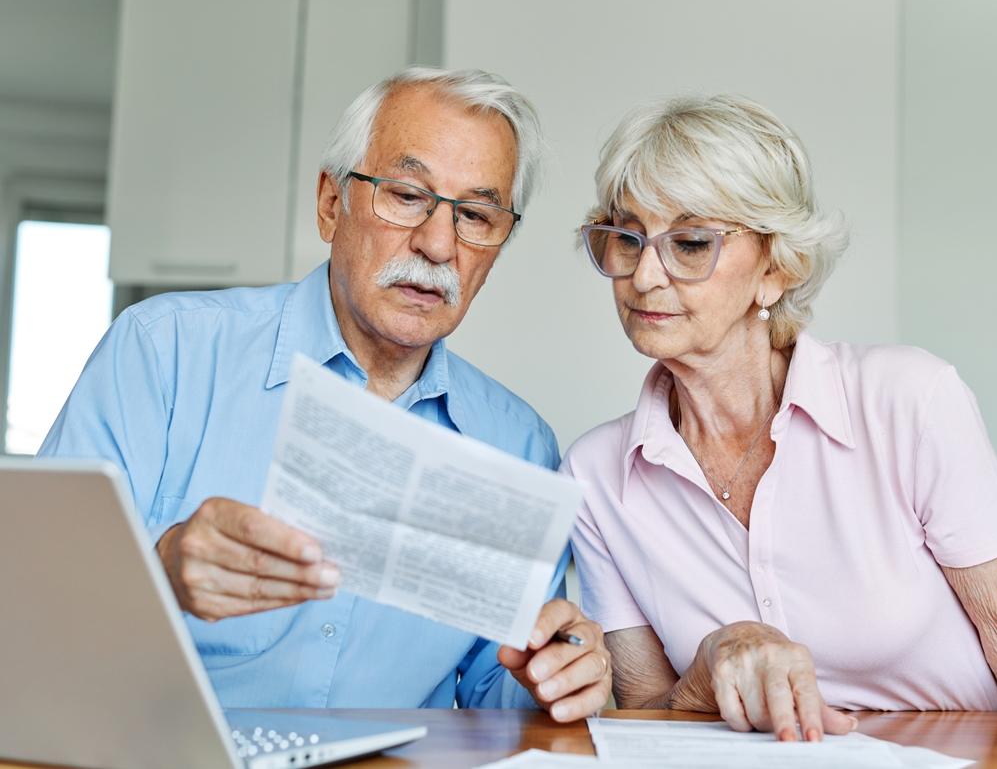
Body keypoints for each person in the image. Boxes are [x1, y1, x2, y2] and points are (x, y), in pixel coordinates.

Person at [39, 67, 611, 720]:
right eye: (407, 195)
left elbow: (498, 701)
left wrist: (556, 676)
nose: (438, 244)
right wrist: (156, 568)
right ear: (330, 204)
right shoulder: (164, 350)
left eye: (476, 215)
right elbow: (29, 593)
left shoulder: (519, 444)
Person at [562, 94, 997, 740]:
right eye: (627, 238)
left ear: (776, 268)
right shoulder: (596, 474)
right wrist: (703, 672)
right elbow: (645, 716)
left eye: (690, 243)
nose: (644, 275)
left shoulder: (910, 401)